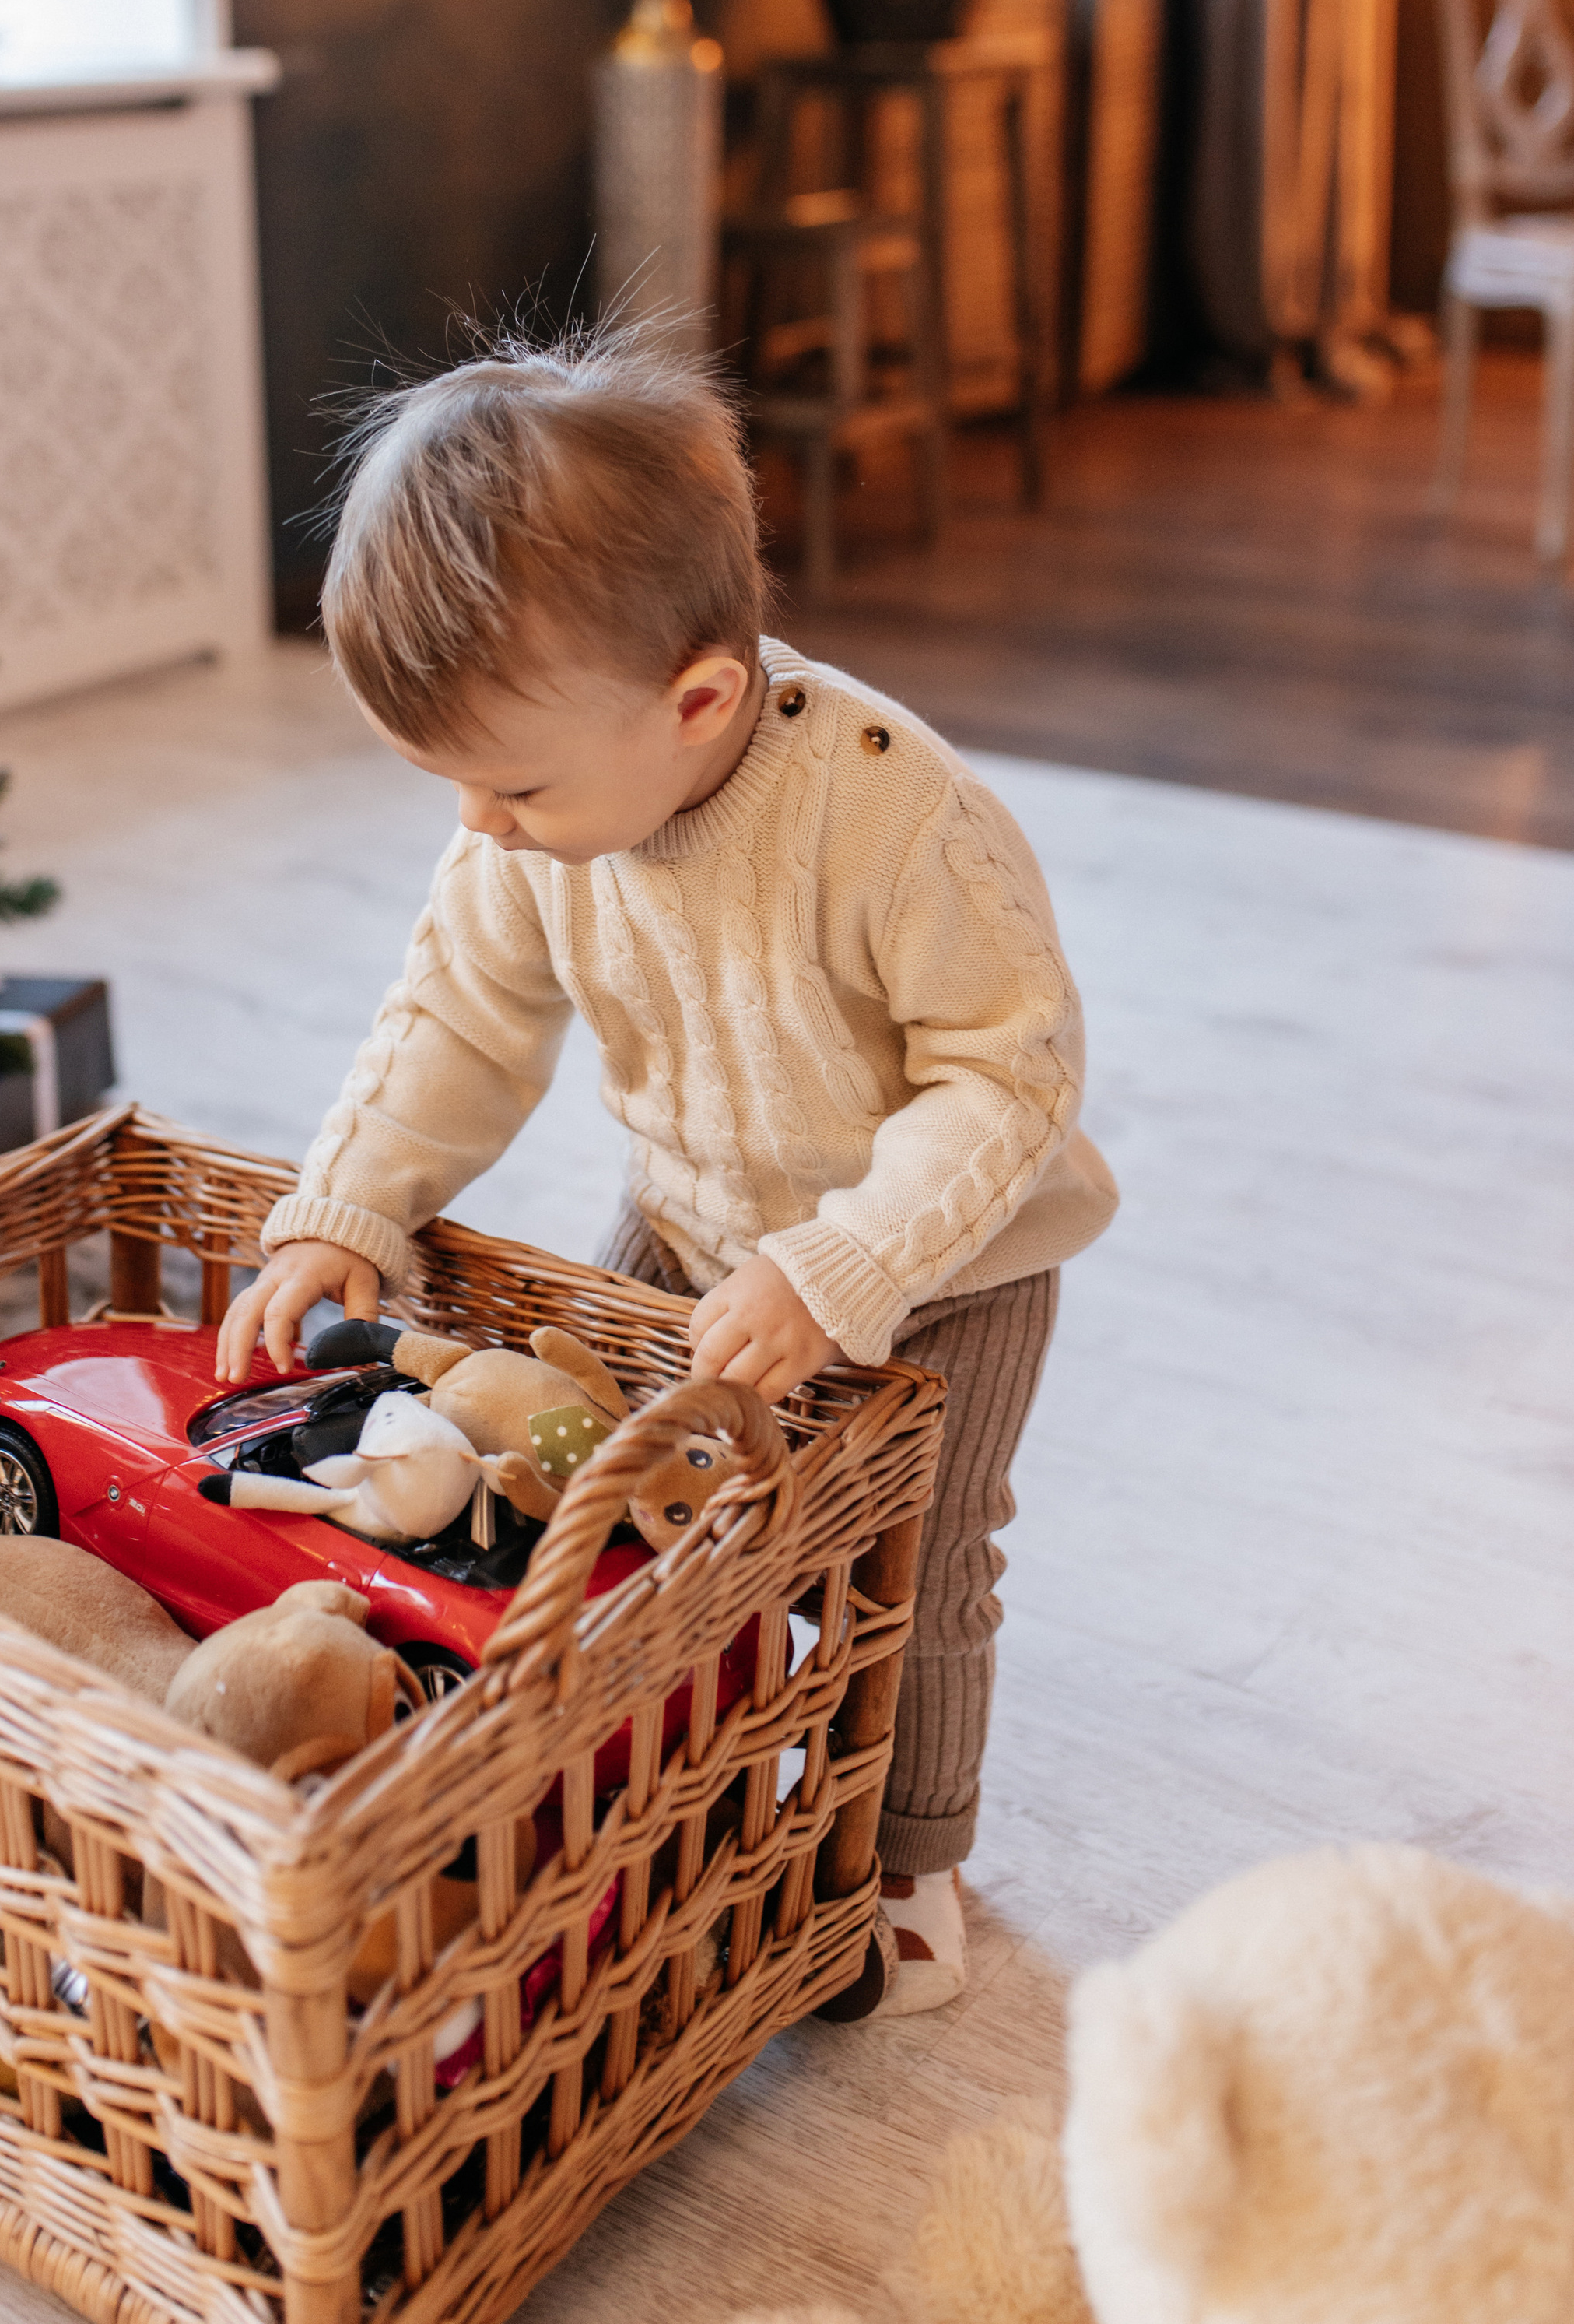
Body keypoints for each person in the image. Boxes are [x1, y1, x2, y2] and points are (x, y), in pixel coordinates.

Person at [218, 330, 1117, 2015]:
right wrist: (349, 1204)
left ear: (698, 700)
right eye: (453, 786)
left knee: (910, 1563)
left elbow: (1007, 1076)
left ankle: (903, 1861)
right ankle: (652, 1769)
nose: (478, 826)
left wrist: (842, 1264)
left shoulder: (890, 818)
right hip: (690, 1222)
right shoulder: (537, 814)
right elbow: (455, 1017)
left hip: (940, 1266)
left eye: (510, 785)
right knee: (586, 1484)